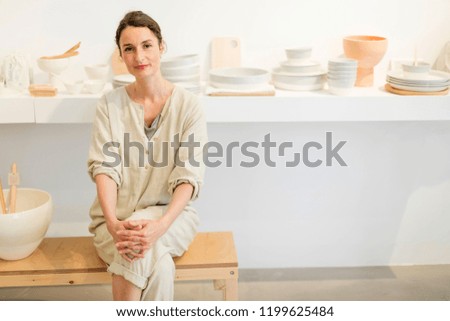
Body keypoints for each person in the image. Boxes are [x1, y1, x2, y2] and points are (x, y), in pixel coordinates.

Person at [87, 10, 207, 301]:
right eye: (129, 48)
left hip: (173, 220)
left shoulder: (189, 106)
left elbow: (188, 177)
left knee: (139, 246)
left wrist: (160, 226)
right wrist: (115, 224)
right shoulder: (110, 105)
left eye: (147, 45)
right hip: (115, 225)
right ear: (121, 55)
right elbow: (105, 169)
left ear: (161, 46)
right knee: (159, 266)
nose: (139, 55)